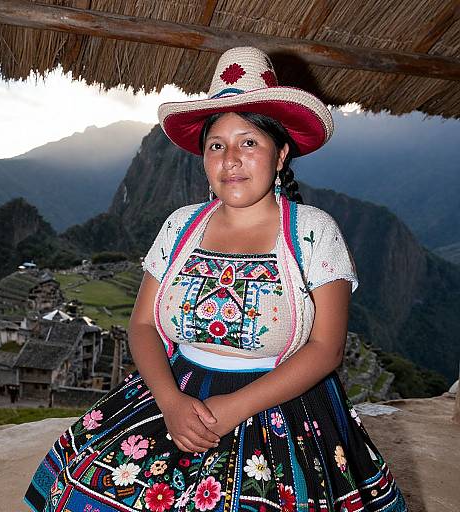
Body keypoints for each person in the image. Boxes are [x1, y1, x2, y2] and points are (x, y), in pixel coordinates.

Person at [25, 47, 407, 512]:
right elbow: (142, 325)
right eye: (216, 145)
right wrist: (170, 402)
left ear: (281, 153)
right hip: (175, 394)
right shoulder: (181, 225)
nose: (230, 160)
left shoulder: (312, 231)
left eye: (249, 142)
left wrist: (231, 410)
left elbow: (325, 348)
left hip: (280, 404)